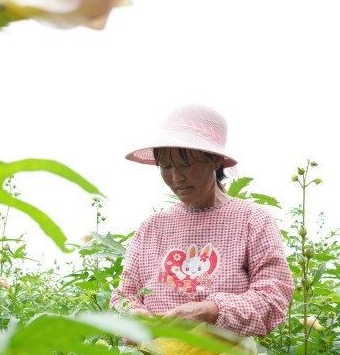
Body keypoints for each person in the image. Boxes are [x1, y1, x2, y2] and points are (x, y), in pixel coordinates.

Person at [111, 103, 294, 338]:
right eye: (166, 167)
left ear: (215, 160)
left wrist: (211, 310)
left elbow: (273, 298)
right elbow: (123, 296)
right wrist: (133, 315)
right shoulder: (152, 228)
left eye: (186, 165)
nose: (176, 178)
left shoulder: (252, 220)